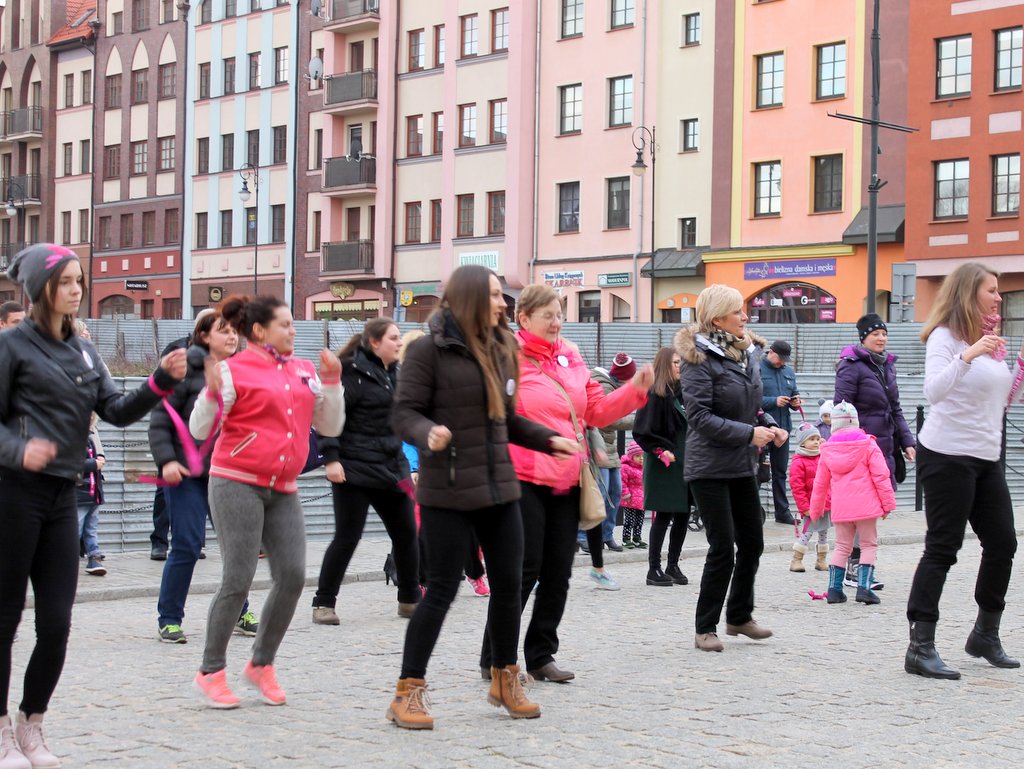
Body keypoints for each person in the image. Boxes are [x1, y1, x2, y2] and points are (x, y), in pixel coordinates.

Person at [0, 243, 186, 767]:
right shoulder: (11, 347)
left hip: (65, 493)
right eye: (65, 282)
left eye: (80, 280)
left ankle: (31, 724)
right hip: (13, 494)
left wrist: (160, 382)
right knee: (6, 619)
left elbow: (118, 410)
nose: (76, 289)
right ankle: (0, 734)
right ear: (41, 289)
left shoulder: (84, 350)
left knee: (56, 622)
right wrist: (19, 450)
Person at [387, 265, 577, 729]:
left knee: (510, 586)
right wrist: (428, 431)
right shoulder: (429, 351)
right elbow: (404, 412)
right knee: (443, 592)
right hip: (448, 490)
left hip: (499, 486)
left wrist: (548, 438)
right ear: (471, 297)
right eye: (495, 294)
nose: (502, 302)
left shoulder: (500, 350)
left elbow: (506, 420)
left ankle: (504, 676)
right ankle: (408, 690)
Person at [478, 283, 650, 683]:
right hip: (522, 474)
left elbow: (597, 412)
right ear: (523, 319)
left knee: (559, 571)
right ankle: (495, 656)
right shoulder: (506, 357)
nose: (557, 323)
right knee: (523, 569)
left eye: (560, 315)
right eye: (548, 316)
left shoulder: (571, 356)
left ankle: (541, 655)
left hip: (568, 476)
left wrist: (635, 391)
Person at [189, 294, 344, 708]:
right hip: (235, 481)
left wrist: (332, 384)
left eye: (293, 325)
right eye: (286, 324)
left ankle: (261, 663)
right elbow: (201, 429)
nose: (294, 331)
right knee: (237, 579)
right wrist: (209, 395)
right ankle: (210, 670)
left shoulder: (305, 370)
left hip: (284, 487)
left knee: (292, 575)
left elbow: (328, 425)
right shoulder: (232, 370)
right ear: (259, 331)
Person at [905, 263, 1022, 680]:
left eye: (999, 290)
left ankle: (985, 634)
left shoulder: (990, 342)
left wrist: (1018, 373)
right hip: (947, 455)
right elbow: (934, 390)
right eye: (992, 289)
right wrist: (967, 355)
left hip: (985, 456)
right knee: (943, 547)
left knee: (1003, 542)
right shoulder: (946, 337)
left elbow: (995, 403)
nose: (998, 297)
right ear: (970, 292)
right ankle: (920, 645)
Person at [677, 284, 786, 653]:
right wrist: (748, 434)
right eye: (738, 311)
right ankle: (704, 627)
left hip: (741, 463)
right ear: (717, 318)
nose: (745, 317)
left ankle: (739, 616)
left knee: (753, 542)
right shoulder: (697, 358)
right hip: (708, 465)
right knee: (722, 547)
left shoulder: (746, 354)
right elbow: (699, 417)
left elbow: (751, 406)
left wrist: (769, 425)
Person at [149, 309, 260, 644]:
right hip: (186, 473)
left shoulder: (242, 371)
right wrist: (167, 460)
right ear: (203, 335)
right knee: (186, 544)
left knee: (236, 547)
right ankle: (169, 619)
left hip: (227, 472)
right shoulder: (182, 370)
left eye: (234, 331)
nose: (232, 337)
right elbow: (159, 420)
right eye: (222, 330)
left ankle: (239, 611)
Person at [311, 318, 420, 624]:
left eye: (399, 338)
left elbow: (406, 418)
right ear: (375, 343)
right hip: (353, 468)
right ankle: (324, 603)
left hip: (390, 466)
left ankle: (410, 599)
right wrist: (330, 458)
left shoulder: (396, 374)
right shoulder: (350, 373)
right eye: (393, 338)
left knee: (407, 533)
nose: (399, 343)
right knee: (348, 536)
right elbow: (329, 417)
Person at [834, 313, 916, 591]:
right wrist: (852, 442)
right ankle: (854, 566)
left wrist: (907, 442)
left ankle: (858, 564)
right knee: (862, 506)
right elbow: (841, 408)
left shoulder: (887, 367)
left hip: (883, 447)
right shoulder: (851, 366)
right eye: (875, 334)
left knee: (871, 507)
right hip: (859, 449)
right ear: (863, 338)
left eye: (884, 333)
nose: (881, 338)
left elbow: (896, 408)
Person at [808, 402, 895, 605]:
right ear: (855, 422)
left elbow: (820, 483)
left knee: (841, 547)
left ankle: (835, 590)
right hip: (867, 506)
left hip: (841, 508)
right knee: (868, 545)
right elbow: (881, 475)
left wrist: (816, 510)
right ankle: (864, 589)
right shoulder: (868, 444)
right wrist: (887, 504)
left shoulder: (827, 450)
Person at [633, 346, 692, 587]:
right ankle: (653, 568)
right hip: (664, 462)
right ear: (665, 365)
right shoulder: (654, 393)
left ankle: (673, 564)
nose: (680, 367)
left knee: (683, 514)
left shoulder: (684, 392)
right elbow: (642, 432)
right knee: (664, 515)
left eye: (681, 362)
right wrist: (660, 451)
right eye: (676, 362)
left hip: (685, 460)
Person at [578, 351, 637, 555]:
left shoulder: (613, 385)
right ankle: (584, 536)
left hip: (610, 448)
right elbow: (609, 418)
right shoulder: (603, 386)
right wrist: (638, 421)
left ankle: (606, 534)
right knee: (600, 494)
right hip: (598, 446)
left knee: (615, 491)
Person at [150, 335, 190, 561]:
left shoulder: (222, 360)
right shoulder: (177, 349)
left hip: (201, 444)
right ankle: (159, 541)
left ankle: (192, 542)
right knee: (165, 493)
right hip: (173, 440)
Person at [760, 339, 800, 524]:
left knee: (780, 472)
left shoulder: (788, 372)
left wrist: (795, 402)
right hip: (762, 429)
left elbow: (794, 392)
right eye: (780, 358)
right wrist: (773, 401)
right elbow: (750, 399)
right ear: (771, 352)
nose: (782, 362)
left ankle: (782, 513)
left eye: (785, 359)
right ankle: (752, 512)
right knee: (758, 473)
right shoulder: (757, 369)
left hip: (782, 431)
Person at [787, 423, 830, 573]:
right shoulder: (798, 462)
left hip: (825, 503)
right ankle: (796, 559)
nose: (816, 442)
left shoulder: (822, 456)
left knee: (824, 531)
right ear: (802, 442)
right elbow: (797, 487)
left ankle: (821, 559)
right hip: (810, 506)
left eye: (818, 438)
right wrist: (804, 507)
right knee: (807, 532)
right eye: (812, 439)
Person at [77, 415, 107, 577]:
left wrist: (100, 458)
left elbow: (98, 452)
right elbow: (70, 462)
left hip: (94, 491)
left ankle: (94, 557)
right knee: (77, 527)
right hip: (81, 492)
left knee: (91, 527)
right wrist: (93, 464)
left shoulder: (91, 433)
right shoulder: (72, 433)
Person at [618, 441, 646, 548]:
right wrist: (625, 494)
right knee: (629, 520)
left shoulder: (644, 468)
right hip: (630, 499)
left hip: (642, 499)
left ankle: (637, 538)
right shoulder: (626, 468)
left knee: (639, 520)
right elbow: (622, 482)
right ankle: (626, 539)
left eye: (643, 456)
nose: (641, 458)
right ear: (631, 456)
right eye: (638, 456)